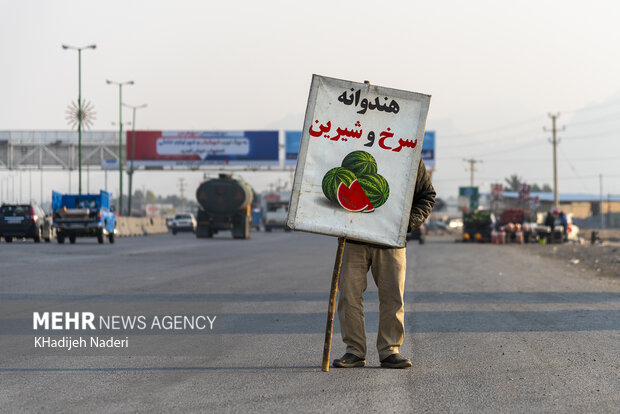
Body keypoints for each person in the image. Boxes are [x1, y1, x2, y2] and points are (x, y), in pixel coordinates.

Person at [333, 159, 436, 369]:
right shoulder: (348, 150)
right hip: (353, 239)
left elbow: (426, 196)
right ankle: (354, 351)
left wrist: (409, 222)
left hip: (391, 241)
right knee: (348, 296)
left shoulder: (409, 153)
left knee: (392, 296)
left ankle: (390, 350)